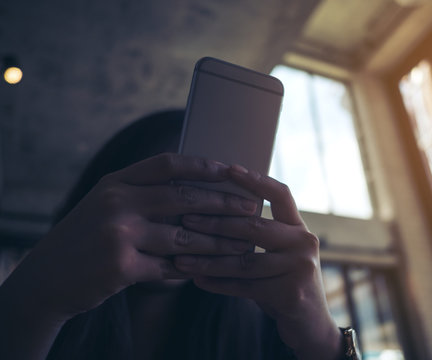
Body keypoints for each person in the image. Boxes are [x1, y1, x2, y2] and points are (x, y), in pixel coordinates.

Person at [0, 110, 350, 360]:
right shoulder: (37, 307)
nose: (183, 213)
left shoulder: (273, 336)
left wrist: (323, 342)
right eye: (165, 189)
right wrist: (34, 303)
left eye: (213, 193)